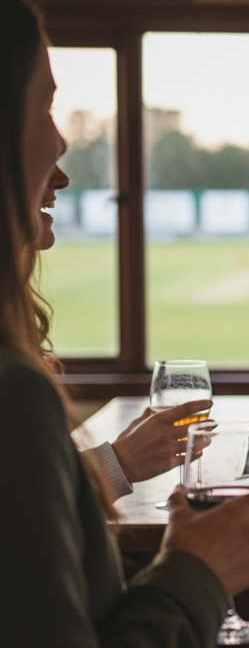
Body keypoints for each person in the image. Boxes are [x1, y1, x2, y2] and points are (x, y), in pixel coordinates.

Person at [0, 0, 249, 648]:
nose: (62, 147)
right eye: (46, 103)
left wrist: (114, 466)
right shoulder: (12, 396)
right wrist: (194, 572)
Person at [36, 162, 211, 499]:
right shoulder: (16, 375)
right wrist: (119, 461)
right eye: (43, 153)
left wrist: (118, 458)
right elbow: (27, 515)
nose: (62, 178)